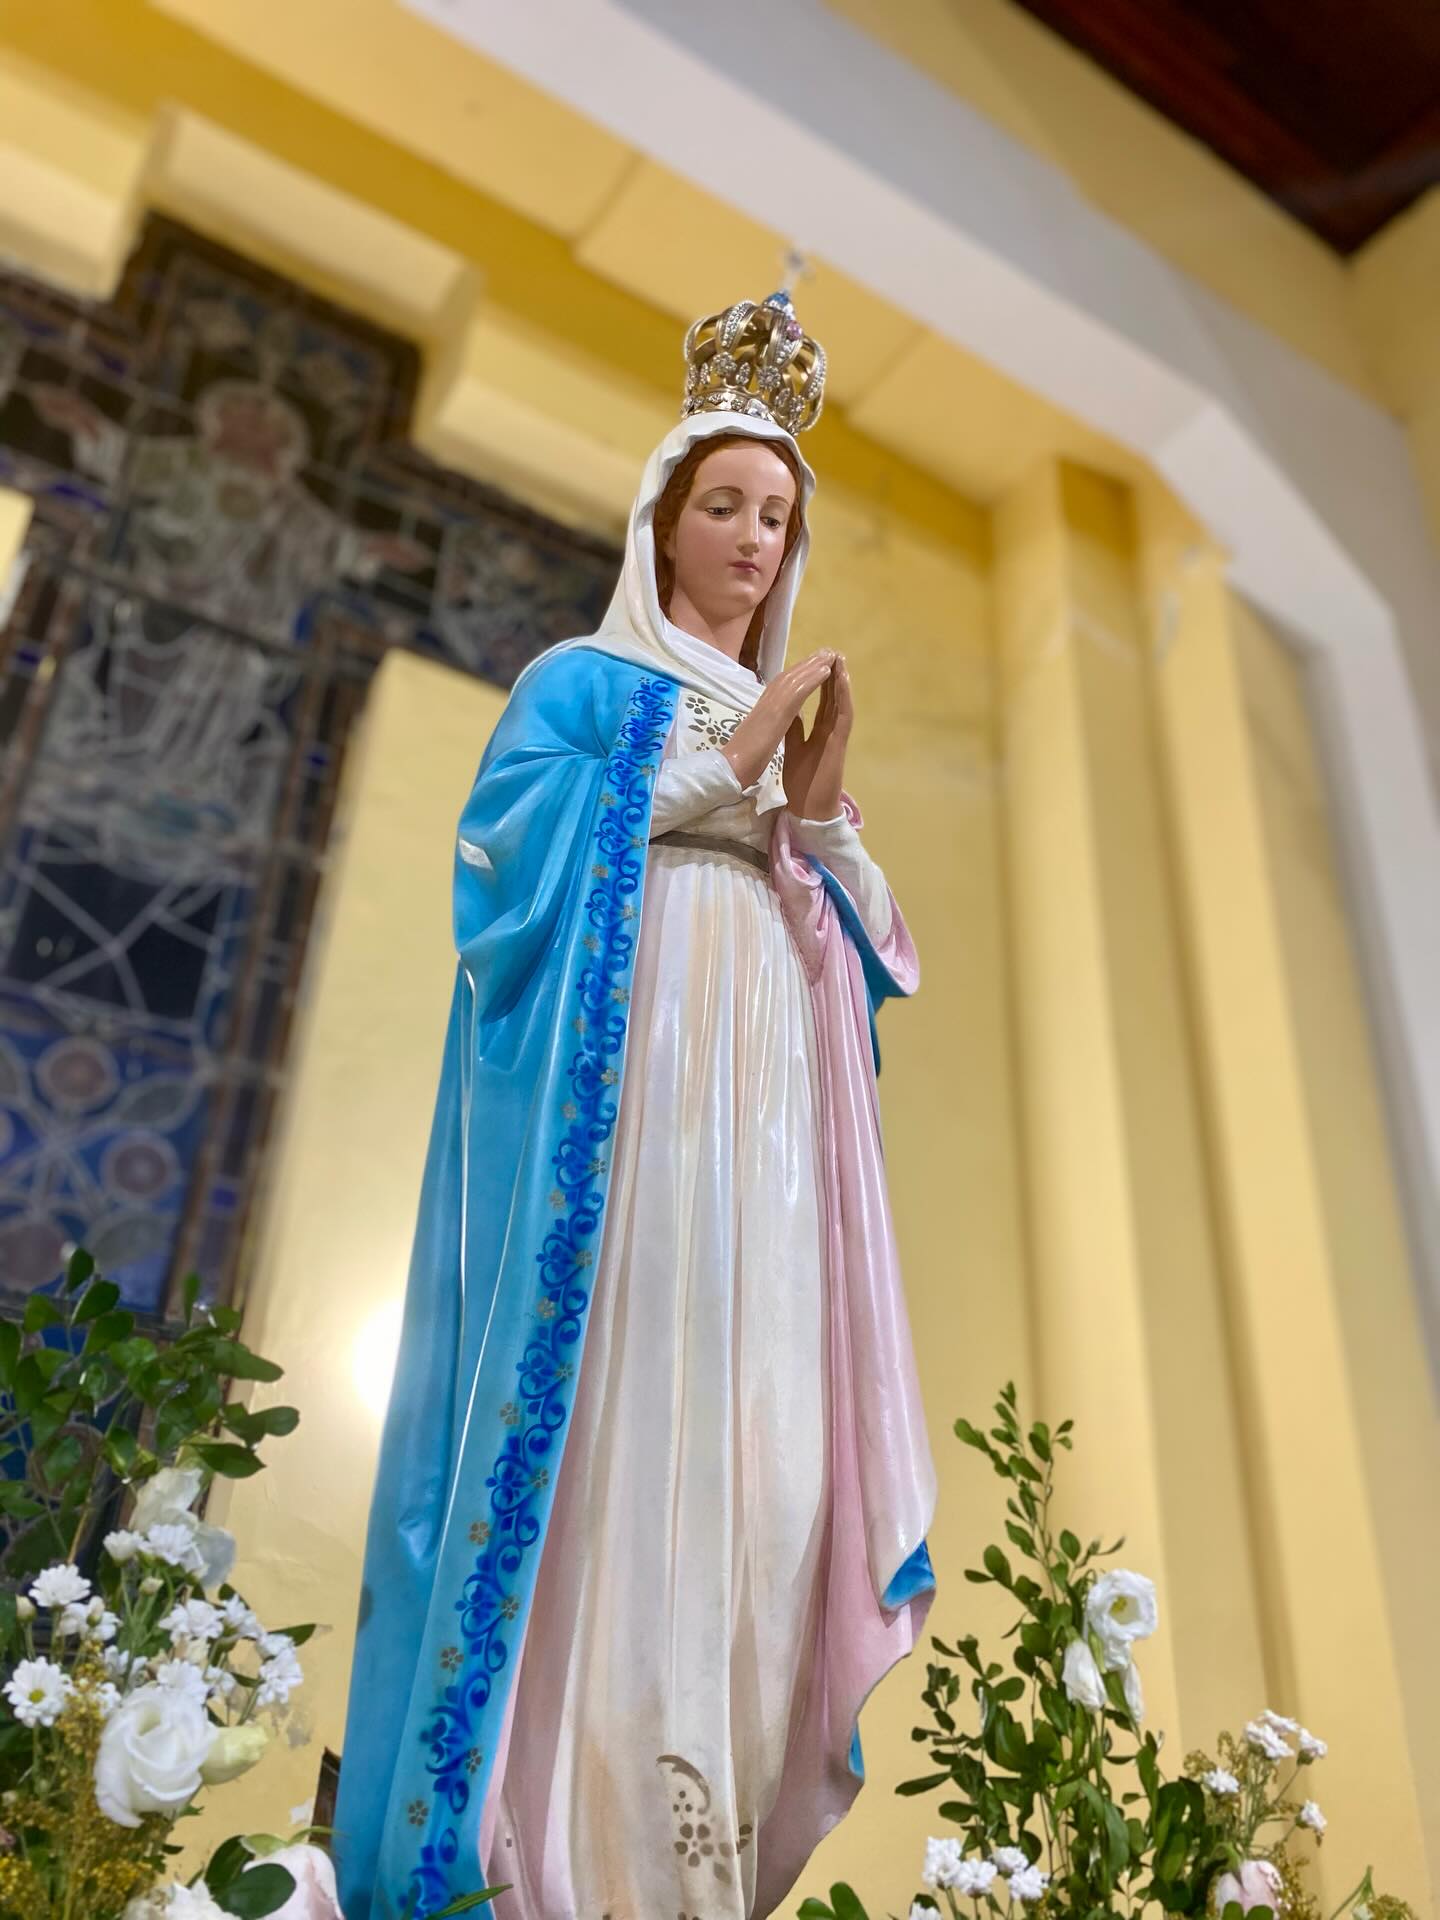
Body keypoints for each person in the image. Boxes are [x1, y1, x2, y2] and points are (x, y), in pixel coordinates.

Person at [335, 293, 936, 1920]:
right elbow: (510, 875)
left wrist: (816, 812)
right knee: (626, 1421)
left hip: (771, 1144)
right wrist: (742, 751)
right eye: (726, 505)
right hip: (634, 1116)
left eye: (779, 517)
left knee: (767, 1460)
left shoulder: (778, 726)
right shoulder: (587, 687)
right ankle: (569, 1859)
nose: (754, 538)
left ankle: (700, 1857)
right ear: (664, 516)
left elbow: (880, 957)